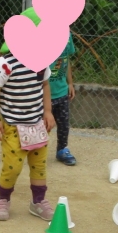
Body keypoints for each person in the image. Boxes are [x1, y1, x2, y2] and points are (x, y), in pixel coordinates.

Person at [0, 7, 56, 222]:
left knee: (39, 165)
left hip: (37, 125)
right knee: (13, 166)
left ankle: (38, 201)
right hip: (13, 127)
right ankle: (2, 199)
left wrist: (48, 111)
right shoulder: (5, 65)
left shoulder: (41, 62)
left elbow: (45, 85)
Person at [50, 32, 78, 165]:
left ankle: (62, 149)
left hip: (62, 90)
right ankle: (36, 151)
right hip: (44, 92)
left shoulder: (67, 34)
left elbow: (67, 60)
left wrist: (70, 83)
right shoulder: (41, 32)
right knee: (42, 125)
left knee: (63, 124)